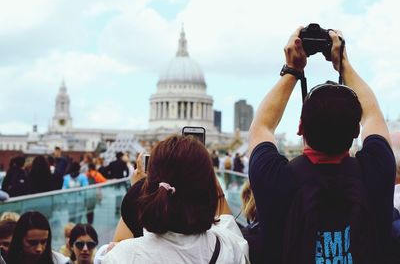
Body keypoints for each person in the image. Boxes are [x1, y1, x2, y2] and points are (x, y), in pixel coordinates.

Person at [248, 27, 395, 263]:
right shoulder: (377, 170)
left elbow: (261, 126)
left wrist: (292, 70)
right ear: (357, 131)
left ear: (300, 128)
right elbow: (373, 115)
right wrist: (343, 63)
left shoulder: (274, 178)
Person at [102, 135, 249, 263]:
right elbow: (227, 221)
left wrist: (138, 191)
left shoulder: (121, 257)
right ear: (209, 188)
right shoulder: (230, 249)